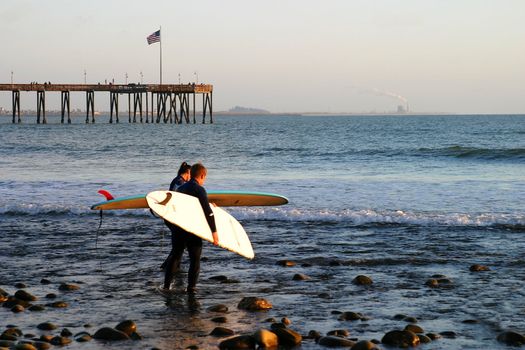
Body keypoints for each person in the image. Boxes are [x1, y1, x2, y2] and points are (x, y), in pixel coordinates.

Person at [163, 163, 218, 293]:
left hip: (178, 228)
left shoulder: (180, 188)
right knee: (195, 259)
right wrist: (214, 232)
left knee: (176, 256)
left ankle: (166, 286)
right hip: (192, 229)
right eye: (205, 178)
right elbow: (207, 212)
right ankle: (191, 288)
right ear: (202, 175)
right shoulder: (199, 189)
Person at [160, 161, 192, 270]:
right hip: (172, 217)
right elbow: (174, 197)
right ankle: (169, 266)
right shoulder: (180, 182)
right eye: (191, 175)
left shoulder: (178, 180)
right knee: (179, 245)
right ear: (188, 172)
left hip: (171, 216)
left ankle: (170, 266)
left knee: (180, 244)